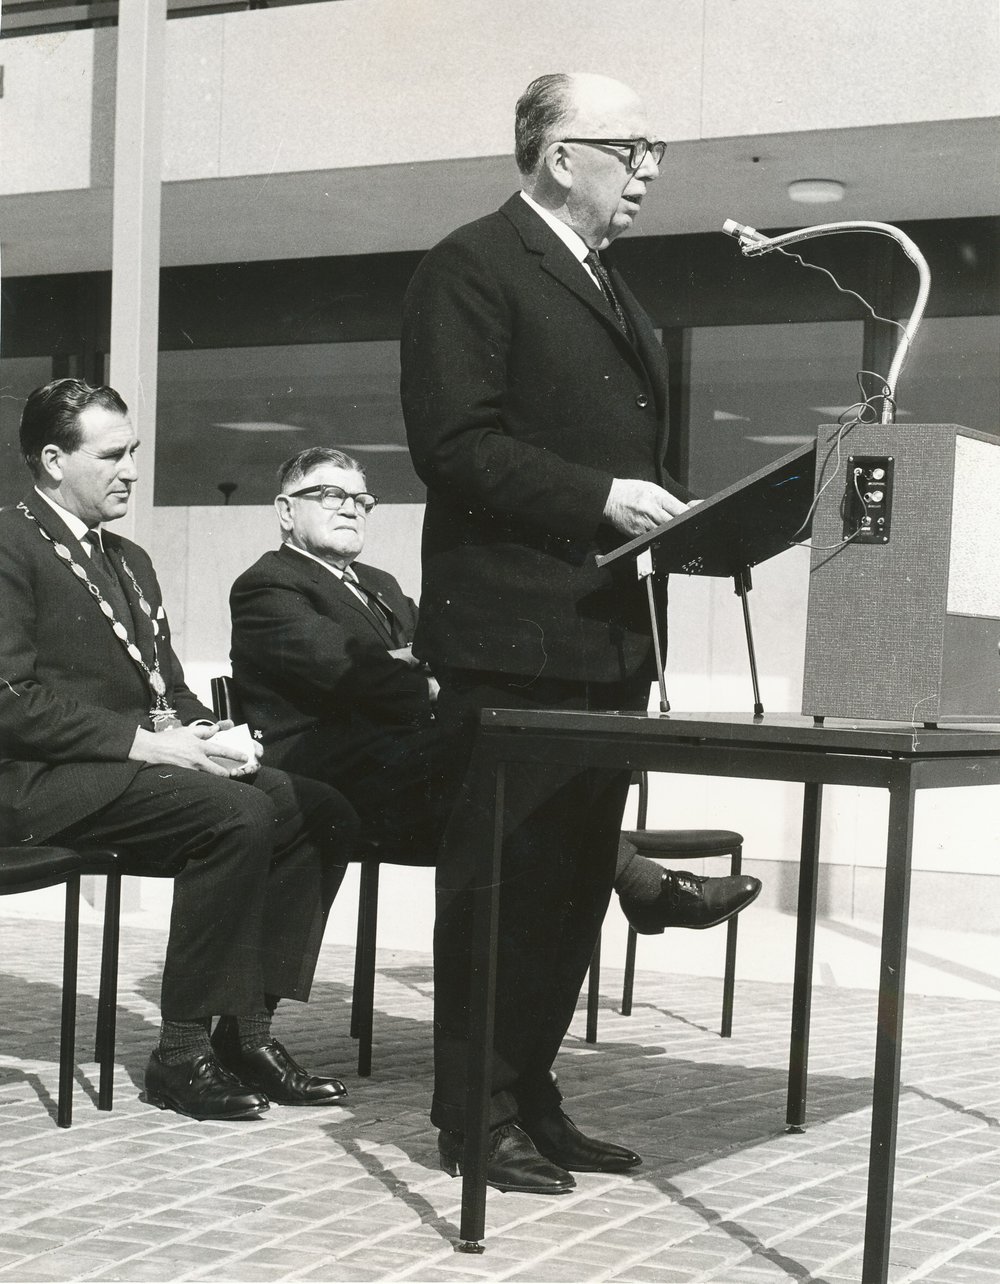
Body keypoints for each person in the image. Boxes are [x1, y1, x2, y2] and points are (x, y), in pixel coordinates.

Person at [400, 73, 761, 1194]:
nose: (650, 168)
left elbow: (608, 457)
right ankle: (474, 1116)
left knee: (566, 886)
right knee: (501, 883)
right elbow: (452, 445)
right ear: (562, 155)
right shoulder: (472, 263)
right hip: (511, 639)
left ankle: (531, 1093)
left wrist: (688, 517)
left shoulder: (604, 277)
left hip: (602, 637)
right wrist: (600, 496)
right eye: (632, 147)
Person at [0, 379, 360, 1122]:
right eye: (112, 455)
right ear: (52, 461)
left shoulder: (129, 557)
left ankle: (247, 1032)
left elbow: (164, 684)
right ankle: (180, 1053)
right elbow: (11, 701)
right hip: (41, 782)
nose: (132, 468)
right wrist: (148, 744)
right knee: (233, 817)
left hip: (124, 769)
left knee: (318, 810)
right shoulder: (7, 543)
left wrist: (208, 733)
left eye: (133, 451)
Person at [230, 444, 745, 926]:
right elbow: (359, 676)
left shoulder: (379, 584)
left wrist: (417, 667)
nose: (351, 509)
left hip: (405, 769)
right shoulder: (269, 585)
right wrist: (420, 676)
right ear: (284, 510)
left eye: (362, 499)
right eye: (329, 496)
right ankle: (648, 889)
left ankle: (643, 892)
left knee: (529, 779)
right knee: (516, 770)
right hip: (331, 781)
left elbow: (436, 654)